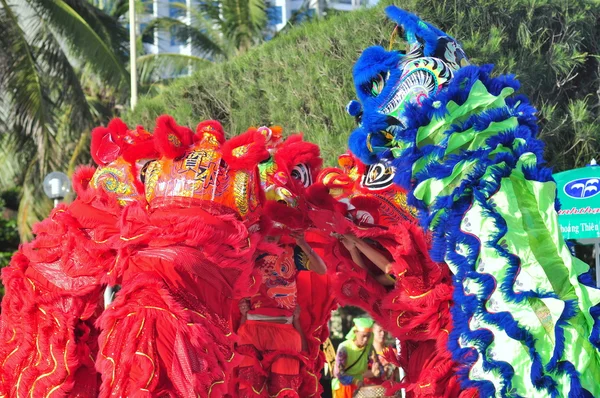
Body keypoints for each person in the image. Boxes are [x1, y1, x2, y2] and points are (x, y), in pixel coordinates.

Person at [236, 232, 327, 396]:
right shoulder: (248, 252)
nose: (272, 233)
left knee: (285, 391)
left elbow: (321, 269)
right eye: (268, 227)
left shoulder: (291, 253)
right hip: (252, 331)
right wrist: (243, 313)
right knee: (249, 392)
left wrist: (303, 244)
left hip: (284, 333)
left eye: (276, 228)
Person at [331, 317, 376, 398]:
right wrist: (355, 381)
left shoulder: (368, 348)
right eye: (363, 336)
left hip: (359, 388)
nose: (366, 339)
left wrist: (379, 370)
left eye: (368, 336)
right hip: (343, 389)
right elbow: (339, 374)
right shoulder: (344, 348)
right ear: (355, 332)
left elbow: (375, 366)